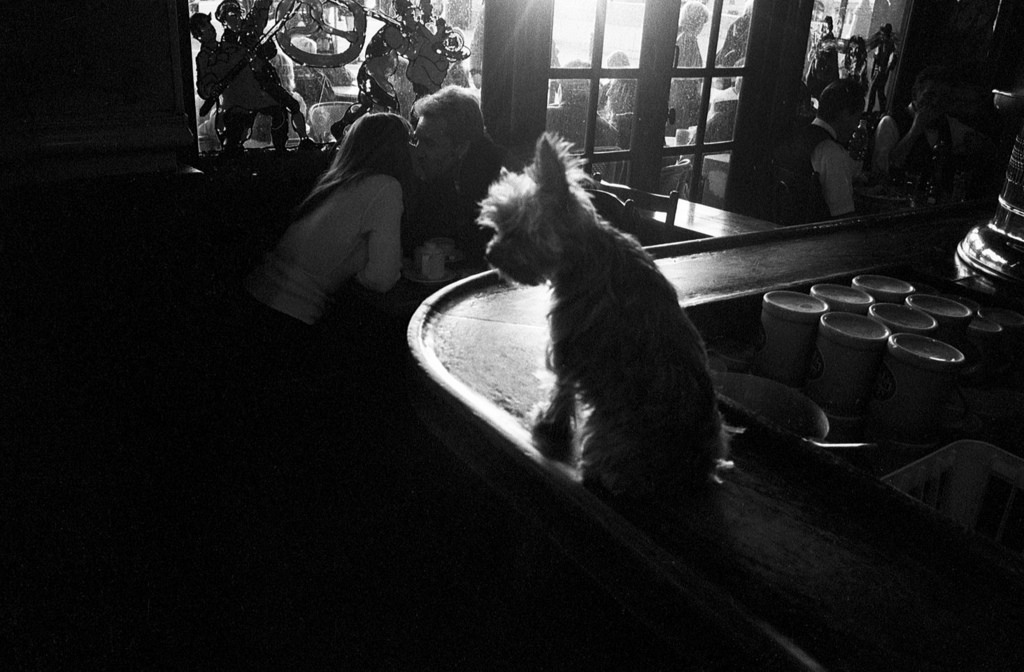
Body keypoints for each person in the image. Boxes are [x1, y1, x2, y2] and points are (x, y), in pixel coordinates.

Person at [245, 112, 413, 326]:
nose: (415, 150)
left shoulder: (338, 182)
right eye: (411, 142)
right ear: (397, 149)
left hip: (256, 295)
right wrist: (358, 271)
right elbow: (382, 280)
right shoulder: (385, 187)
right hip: (290, 314)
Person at [402, 85, 506, 266]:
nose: (418, 152)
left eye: (429, 143)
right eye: (416, 140)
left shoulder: (492, 191)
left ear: (461, 147)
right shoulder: (442, 171)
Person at [871, 65, 996, 199]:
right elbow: (881, 172)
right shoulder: (891, 122)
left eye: (942, 97)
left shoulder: (949, 124)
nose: (936, 102)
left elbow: (985, 145)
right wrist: (914, 131)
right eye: (930, 95)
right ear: (915, 93)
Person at [773, 79, 866, 223]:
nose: (856, 126)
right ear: (845, 114)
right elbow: (844, 217)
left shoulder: (796, 136)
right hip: (811, 238)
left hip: (779, 227)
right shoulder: (830, 151)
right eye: (857, 117)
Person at [667, 1, 710, 136]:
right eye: (702, 22)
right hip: (684, 97)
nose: (702, 27)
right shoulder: (689, 40)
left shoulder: (681, 36)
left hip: (677, 94)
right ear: (695, 21)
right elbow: (691, 73)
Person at [866, 24, 897, 113]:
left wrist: (885, 69)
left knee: (875, 90)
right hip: (879, 70)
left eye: (883, 34)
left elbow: (890, 60)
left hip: (882, 71)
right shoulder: (882, 44)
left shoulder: (890, 45)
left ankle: (870, 110)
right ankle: (883, 110)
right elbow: (877, 58)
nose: (882, 36)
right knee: (880, 91)